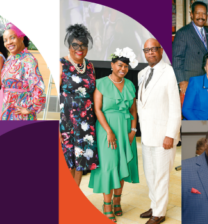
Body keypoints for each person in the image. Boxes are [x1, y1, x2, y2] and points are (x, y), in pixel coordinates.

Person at [88, 47, 139, 223]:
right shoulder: (101, 83)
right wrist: (109, 131)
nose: (123, 69)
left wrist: (133, 131)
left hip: (126, 130)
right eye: (119, 65)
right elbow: (97, 109)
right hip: (106, 129)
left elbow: (133, 110)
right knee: (109, 166)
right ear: (112, 65)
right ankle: (107, 204)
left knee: (122, 164)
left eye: (126, 66)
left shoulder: (130, 84)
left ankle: (117, 200)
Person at [135, 39, 181, 224]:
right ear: (144, 53)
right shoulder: (142, 73)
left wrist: (171, 134)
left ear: (161, 51)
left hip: (164, 136)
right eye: (147, 50)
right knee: (150, 174)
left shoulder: (169, 72)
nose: (151, 53)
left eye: (154, 49)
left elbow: (175, 108)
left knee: (161, 175)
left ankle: (159, 213)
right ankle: (155, 205)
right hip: (147, 134)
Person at [60, 24, 97, 186]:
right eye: (75, 45)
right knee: (68, 165)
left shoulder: (89, 66)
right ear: (69, 46)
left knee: (81, 164)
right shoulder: (61, 64)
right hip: (66, 123)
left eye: (83, 45)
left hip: (86, 123)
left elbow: (93, 93)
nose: (79, 49)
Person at [0, 22, 45, 120]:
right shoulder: (10, 59)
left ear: (21, 37)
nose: (8, 42)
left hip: (19, 113)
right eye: (5, 40)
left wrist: (30, 108)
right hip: (5, 110)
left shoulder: (28, 60)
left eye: (12, 38)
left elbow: (38, 87)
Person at [173, 1, 208, 94]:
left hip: (206, 80)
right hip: (189, 81)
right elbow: (177, 58)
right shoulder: (183, 33)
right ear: (191, 14)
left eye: (204, 13)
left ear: (207, 16)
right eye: (198, 13)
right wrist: (181, 81)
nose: (201, 16)